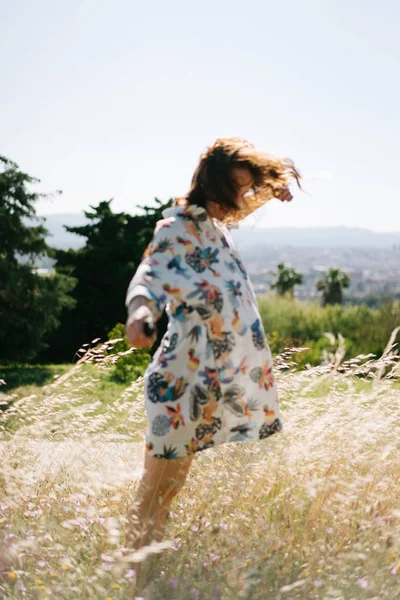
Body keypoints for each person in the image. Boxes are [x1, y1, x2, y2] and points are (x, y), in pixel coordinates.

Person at [124, 137, 300, 557]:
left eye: (243, 189)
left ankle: (145, 567)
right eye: (233, 190)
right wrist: (139, 314)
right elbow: (146, 277)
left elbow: (239, 207)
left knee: (168, 491)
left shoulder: (216, 226)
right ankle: (130, 573)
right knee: (155, 492)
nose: (238, 199)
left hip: (206, 385)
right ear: (210, 185)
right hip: (179, 385)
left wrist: (269, 193)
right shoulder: (177, 228)